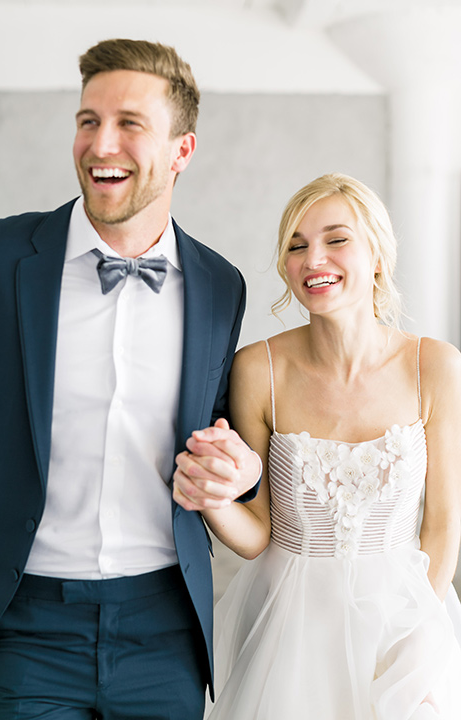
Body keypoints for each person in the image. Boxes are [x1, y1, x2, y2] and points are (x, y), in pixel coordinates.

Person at [0, 38, 260, 720]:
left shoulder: (221, 287)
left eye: (129, 124)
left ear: (181, 151)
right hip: (21, 625)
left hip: (163, 630)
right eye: (87, 121)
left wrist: (240, 469)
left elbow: (221, 433)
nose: (101, 143)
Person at [175, 173, 461, 719]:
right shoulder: (259, 369)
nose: (313, 259)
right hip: (292, 634)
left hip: (403, 624)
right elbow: (258, 533)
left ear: (377, 254)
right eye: (296, 245)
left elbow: (443, 526)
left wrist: (422, 648)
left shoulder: (437, 367)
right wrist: (207, 496)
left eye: (336, 239)